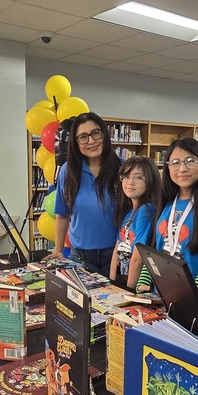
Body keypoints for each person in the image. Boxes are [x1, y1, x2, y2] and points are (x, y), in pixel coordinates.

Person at [136, 137, 198, 310]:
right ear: (168, 167)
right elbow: (156, 250)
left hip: (191, 299)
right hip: (159, 294)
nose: (182, 168)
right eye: (175, 162)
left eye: (190, 161)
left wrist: (190, 293)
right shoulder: (167, 202)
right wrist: (143, 283)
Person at [49, 111, 121, 274]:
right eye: (83, 137)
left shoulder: (122, 169)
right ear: (76, 142)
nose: (91, 141)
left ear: (104, 134)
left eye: (95, 133)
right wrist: (58, 251)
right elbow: (62, 214)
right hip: (80, 257)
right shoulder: (68, 171)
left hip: (116, 256)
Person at [110, 155, 160, 289]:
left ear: (150, 181)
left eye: (138, 177)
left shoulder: (146, 210)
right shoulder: (128, 212)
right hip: (121, 277)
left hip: (135, 282)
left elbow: (138, 257)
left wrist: (129, 290)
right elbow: (117, 248)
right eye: (126, 176)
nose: (130, 182)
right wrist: (111, 283)